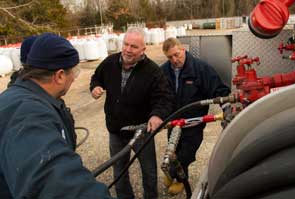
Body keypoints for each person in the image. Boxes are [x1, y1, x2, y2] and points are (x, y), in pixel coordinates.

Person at [0, 33, 115, 199]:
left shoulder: (26, 95)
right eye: (73, 73)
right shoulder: (26, 113)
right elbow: (52, 184)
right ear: (60, 75)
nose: (74, 79)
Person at [90, 28, 174, 199]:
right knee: (119, 173)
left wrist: (157, 115)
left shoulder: (153, 71)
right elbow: (96, 77)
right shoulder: (109, 63)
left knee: (149, 172)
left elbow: (164, 98)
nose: (128, 50)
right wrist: (95, 87)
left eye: (134, 47)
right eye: (126, 44)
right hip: (116, 131)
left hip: (141, 131)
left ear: (143, 49)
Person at [161, 37, 230, 195]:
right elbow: (156, 93)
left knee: (186, 154)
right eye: (170, 57)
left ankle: (176, 177)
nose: (174, 60)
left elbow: (219, 90)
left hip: (194, 123)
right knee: (173, 152)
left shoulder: (201, 69)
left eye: (176, 55)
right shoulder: (164, 71)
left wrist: (226, 109)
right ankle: (177, 175)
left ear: (183, 50)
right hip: (174, 122)